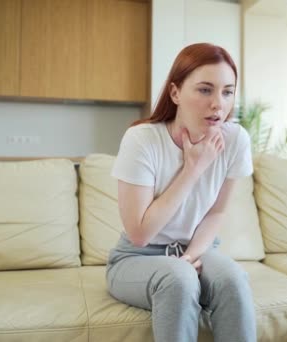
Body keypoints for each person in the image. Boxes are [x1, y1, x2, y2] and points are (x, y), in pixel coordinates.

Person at [106, 42, 257, 342]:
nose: (218, 104)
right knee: (178, 279)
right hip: (136, 258)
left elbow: (217, 212)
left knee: (233, 280)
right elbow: (140, 233)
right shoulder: (142, 140)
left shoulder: (236, 139)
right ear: (175, 93)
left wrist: (191, 256)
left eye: (227, 92)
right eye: (205, 90)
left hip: (197, 249)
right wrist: (193, 169)